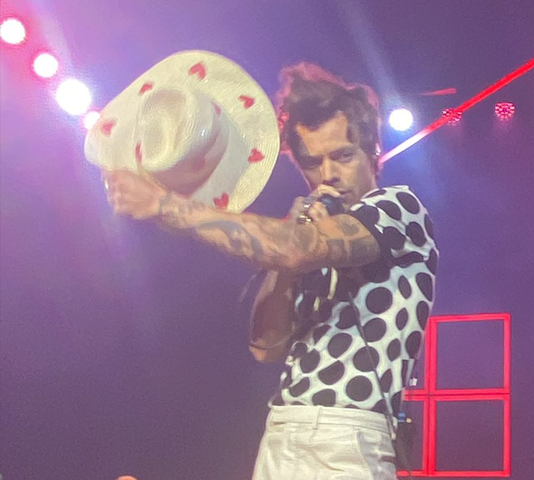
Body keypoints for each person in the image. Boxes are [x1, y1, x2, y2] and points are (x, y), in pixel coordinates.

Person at [103, 62, 438, 480]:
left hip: (347, 436)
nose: (329, 174)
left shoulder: (398, 207)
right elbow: (266, 346)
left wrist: (165, 205)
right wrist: (287, 257)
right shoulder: (306, 234)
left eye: (343, 156)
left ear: (373, 151)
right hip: (283, 426)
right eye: (313, 162)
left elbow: (297, 251)